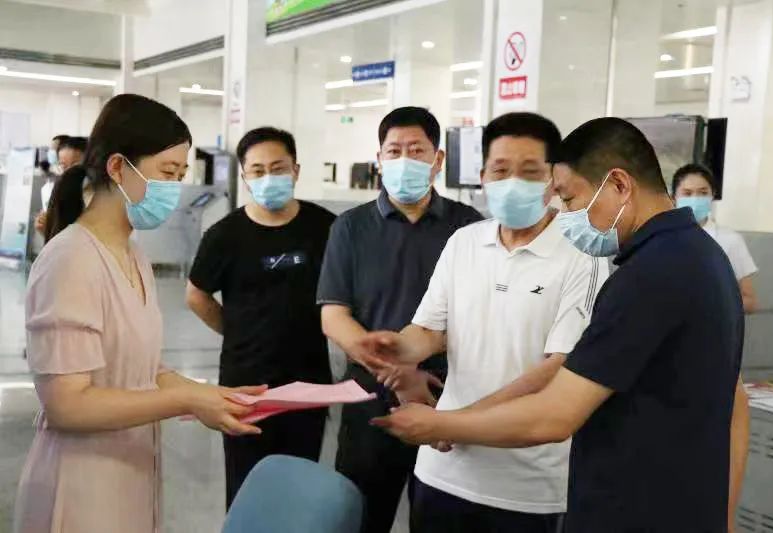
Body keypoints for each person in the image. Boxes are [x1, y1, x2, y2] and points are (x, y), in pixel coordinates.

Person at [372, 117, 749, 533]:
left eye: (569, 199)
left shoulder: (650, 274)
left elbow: (555, 414)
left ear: (619, 184)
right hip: (677, 505)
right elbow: (736, 403)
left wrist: (442, 423)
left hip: (634, 509)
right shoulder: (700, 255)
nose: (568, 214)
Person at [14, 94, 265, 533]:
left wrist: (211, 395)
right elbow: (68, 404)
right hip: (80, 483)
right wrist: (186, 400)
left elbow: (143, 369)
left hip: (128, 470)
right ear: (117, 167)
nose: (174, 188)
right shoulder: (70, 259)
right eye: (167, 173)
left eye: (181, 175)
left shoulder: (132, 255)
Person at [365, 112, 608, 533]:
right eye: (500, 170)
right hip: (442, 472)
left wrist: (455, 423)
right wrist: (397, 348)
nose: (513, 182)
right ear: (482, 177)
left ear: (555, 179)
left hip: (526, 485)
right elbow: (430, 331)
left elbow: (557, 368)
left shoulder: (582, 255)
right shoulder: (464, 242)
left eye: (529, 172)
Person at [317, 106, 483, 533]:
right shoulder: (350, 228)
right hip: (369, 402)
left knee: (439, 518)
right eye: (394, 151)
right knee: (361, 517)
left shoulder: (470, 228)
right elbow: (334, 317)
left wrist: (418, 371)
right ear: (379, 159)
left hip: (446, 398)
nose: (404, 159)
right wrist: (396, 372)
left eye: (416, 150)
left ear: (438, 159)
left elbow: (479, 315)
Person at [186, 127, 337, 507]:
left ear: (296, 170)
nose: (268, 177)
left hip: (308, 380)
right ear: (245, 176)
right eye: (257, 170)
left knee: (299, 486)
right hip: (246, 385)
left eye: (278, 168)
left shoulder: (325, 227)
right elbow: (196, 294)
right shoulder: (225, 235)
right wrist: (237, 332)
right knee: (248, 489)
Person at [673, 163, 759, 313]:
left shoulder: (730, 240)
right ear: (674, 197)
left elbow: (750, 302)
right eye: (687, 193)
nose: (695, 199)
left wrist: (713, 302)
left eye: (703, 193)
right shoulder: (660, 239)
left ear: (712, 195)